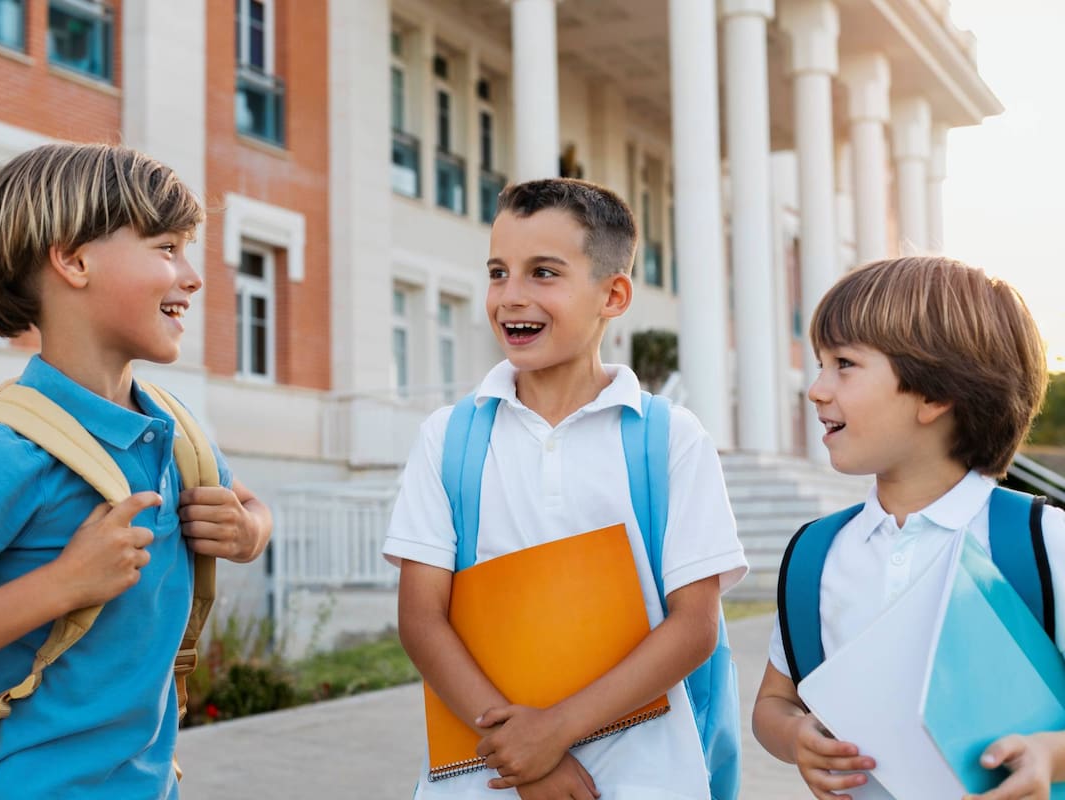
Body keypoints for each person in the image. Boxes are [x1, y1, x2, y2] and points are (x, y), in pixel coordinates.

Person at [0, 142, 272, 799]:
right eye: (166, 248)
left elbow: (248, 505)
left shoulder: (172, 432)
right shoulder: (0, 453)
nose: (192, 277)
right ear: (75, 260)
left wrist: (250, 528)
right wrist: (65, 583)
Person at [383, 177, 747, 799]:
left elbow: (694, 627)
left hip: (646, 776)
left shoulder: (670, 440)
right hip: (486, 778)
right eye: (498, 272)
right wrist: (524, 756)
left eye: (543, 273)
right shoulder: (448, 438)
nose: (510, 296)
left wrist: (553, 733)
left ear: (614, 294)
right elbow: (422, 619)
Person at [752, 256, 1063, 800]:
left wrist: (1049, 755)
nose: (817, 389)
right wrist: (796, 736)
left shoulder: (1041, 541)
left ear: (934, 394)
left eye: (844, 364)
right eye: (821, 364)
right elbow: (774, 702)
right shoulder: (815, 555)